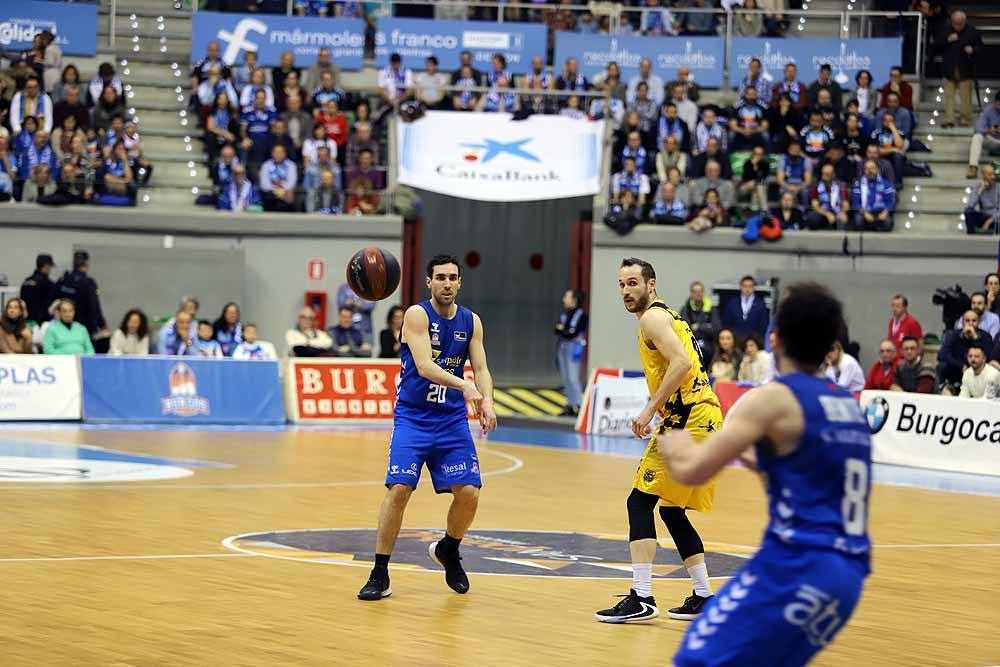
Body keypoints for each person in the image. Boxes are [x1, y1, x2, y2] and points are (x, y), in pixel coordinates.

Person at [663, 282, 871, 667]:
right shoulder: (847, 405)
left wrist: (672, 442)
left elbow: (692, 471)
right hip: (849, 577)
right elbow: (808, 474)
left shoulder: (775, 398)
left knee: (698, 657)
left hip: (798, 566)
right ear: (831, 344)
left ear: (774, 338)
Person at [358, 255, 497, 601]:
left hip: (450, 421)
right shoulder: (417, 316)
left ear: (460, 282)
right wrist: (465, 387)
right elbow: (423, 366)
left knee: (470, 494)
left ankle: (449, 548)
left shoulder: (471, 322)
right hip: (414, 417)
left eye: (453, 278)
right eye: (440, 278)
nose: (447, 283)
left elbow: (480, 368)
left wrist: (489, 399)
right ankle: (380, 571)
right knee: (400, 489)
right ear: (429, 282)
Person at [594, 258, 722, 624]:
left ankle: (642, 596)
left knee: (638, 502)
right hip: (705, 417)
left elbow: (680, 363)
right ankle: (703, 595)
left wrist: (650, 409)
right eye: (621, 284)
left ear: (651, 285)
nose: (625, 291)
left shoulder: (653, 318)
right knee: (669, 509)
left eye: (633, 283)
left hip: (690, 420)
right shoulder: (670, 317)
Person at [939, 10, 983, 130]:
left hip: (966, 68)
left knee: (965, 96)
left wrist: (973, 50)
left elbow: (980, 47)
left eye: (960, 24)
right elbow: (936, 45)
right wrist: (948, 39)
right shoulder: (945, 29)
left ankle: (965, 119)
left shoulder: (972, 31)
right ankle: (949, 119)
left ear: (965, 21)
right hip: (949, 68)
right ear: (952, 21)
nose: (957, 26)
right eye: (955, 23)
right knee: (949, 96)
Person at [53, 250, 107, 345]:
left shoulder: (62, 280)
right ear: (86, 264)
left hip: (62, 326)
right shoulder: (88, 282)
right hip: (84, 327)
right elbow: (94, 306)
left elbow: (54, 302)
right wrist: (102, 325)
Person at [938, 309, 993, 391]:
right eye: (967, 320)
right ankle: (943, 389)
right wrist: (961, 366)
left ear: (979, 322)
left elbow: (987, 357)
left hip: (977, 369)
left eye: (974, 321)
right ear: (962, 322)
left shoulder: (985, 336)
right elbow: (942, 355)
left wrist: (975, 339)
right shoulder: (953, 334)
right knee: (942, 365)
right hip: (957, 368)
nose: (970, 323)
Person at [555, 289, 588, 417]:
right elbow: (558, 330)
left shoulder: (581, 315)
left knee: (573, 377)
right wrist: (565, 331)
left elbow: (572, 333)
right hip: (563, 347)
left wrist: (564, 330)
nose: (564, 299)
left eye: (567, 297)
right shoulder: (565, 314)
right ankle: (570, 404)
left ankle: (579, 405)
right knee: (566, 378)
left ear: (574, 300)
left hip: (574, 347)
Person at [850, 160, 896, 231]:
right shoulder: (858, 184)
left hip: (880, 212)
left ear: (877, 169)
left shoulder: (886, 183)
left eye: (872, 168)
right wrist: (865, 213)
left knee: (888, 222)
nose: (870, 171)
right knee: (858, 221)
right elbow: (856, 202)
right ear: (864, 171)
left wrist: (885, 212)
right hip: (864, 213)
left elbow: (891, 200)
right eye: (867, 169)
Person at [722, 275, 769, 340]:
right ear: (740, 287)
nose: (747, 289)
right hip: (735, 339)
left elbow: (764, 325)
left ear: (754, 287)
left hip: (754, 340)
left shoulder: (760, 304)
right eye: (745, 286)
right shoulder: (732, 303)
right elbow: (726, 323)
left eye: (750, 286)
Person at [805, 163, 849, 230]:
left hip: (838, 212)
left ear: (833, 175)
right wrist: (827, 214)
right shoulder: (817, 187)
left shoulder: (841, 187)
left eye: (827, 175)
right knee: (812, 218)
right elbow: (815, 205)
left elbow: (846, 204)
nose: (824, 177)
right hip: (823, 213)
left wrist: (843, 212)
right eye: (823, 174)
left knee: (843, 219)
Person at [967, 94, 1000, 180]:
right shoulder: (988, 110)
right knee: (977, 137)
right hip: (992, 141)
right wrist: (989, 130)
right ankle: (973, 168)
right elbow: (978, 129)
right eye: (999, 104)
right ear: (995, 102)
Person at [19, 253, 56, 325]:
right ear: (46, 266)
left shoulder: (26, 281)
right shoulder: (48, 284)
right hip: (42, 322)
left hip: (26, 322)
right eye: (50, 266)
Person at [965, 163, 999, 234]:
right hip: (984, 215)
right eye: (989, 175)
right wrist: (980, 191)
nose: (992, 177)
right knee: (968, 212)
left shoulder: (998, 187)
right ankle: (972, 237)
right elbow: (970, 206)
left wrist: (989, 221)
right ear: (984, 176)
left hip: (996, 218)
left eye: (993, 174)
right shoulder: (979, 186)